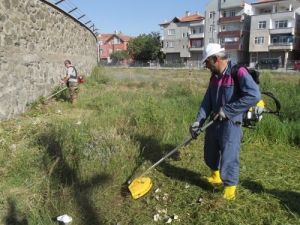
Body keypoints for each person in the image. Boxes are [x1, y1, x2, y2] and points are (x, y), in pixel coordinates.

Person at [189, 43, 260, 200]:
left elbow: (254, 95)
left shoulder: (238, 72)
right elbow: (206, 102)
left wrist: (227, 110)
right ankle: (216, 176)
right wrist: (198, 121)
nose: (206, 66)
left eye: (207, 62)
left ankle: (229, 189)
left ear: (215, 59)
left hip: (231, 123)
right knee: (210, 152)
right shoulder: (214, 77)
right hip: (214, 121)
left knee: (229, 156)